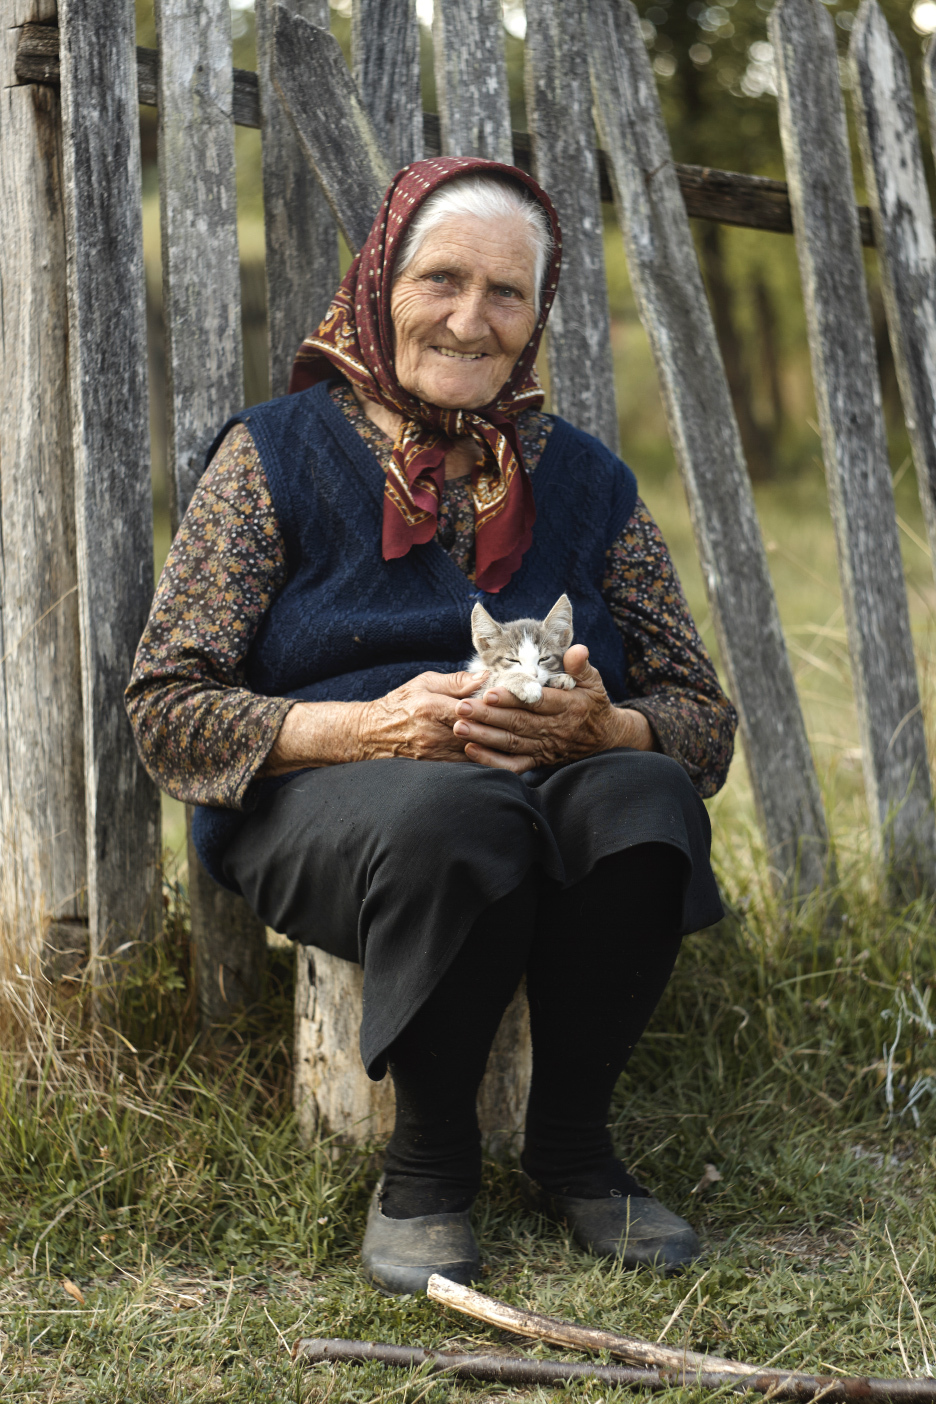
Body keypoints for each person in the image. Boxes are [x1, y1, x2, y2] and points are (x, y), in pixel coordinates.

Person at [126, 156, 737, 1295]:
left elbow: (702, 722)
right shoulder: (274, 455)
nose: (471, 317)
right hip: (332, 797)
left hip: (544, 780)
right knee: (455, 811)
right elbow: (168, 709)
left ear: (537, 313)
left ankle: (574, 1150)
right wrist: (372, 728)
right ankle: (428, 1165)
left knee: (645, 799)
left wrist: (607, 731)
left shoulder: (588, 483)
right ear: (378, 281)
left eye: (507, 293)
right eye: (441, 278)